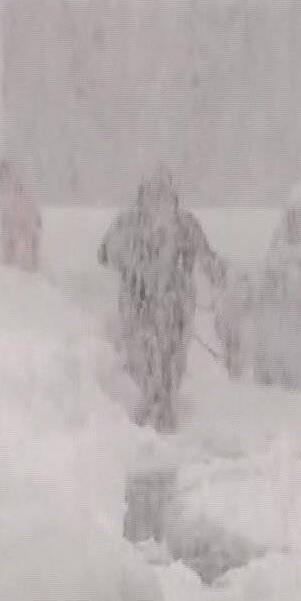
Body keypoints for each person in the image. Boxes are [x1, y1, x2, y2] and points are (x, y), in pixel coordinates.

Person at [98, 168, 226, 432]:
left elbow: (206, 256)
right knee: (144, 359)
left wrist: (216, 276)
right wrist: (128, 263)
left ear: (174, 199)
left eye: (164, 196)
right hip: (139, 307)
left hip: (175, 309)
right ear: (141, 198)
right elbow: (104, 254)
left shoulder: (184, 225)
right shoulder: (127, 225)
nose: (158, 203)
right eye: (153, 196)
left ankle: (164, 410)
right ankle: (150, 409)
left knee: (171, 361)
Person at [0, 158, 42, 272]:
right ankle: (12, 268)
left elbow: (28, 206)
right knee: (10, 247)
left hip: (25, 221)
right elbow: (5, 213)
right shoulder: (4, 191)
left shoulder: (15, 187)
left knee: (27, 246)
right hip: (17, 221)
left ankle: (29, 269)